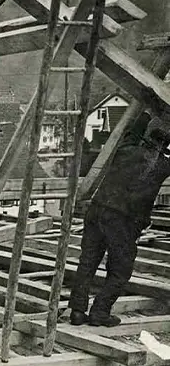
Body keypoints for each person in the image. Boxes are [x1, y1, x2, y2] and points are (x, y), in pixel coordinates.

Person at [69, 114, 170, 327]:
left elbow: (133, 130)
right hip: (121, 219)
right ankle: (100, 312)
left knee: (88, 262)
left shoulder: (126, 148)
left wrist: (147, 110)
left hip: (97, 210)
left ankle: (77, 311)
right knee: (121, 269)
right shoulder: (161, 166)